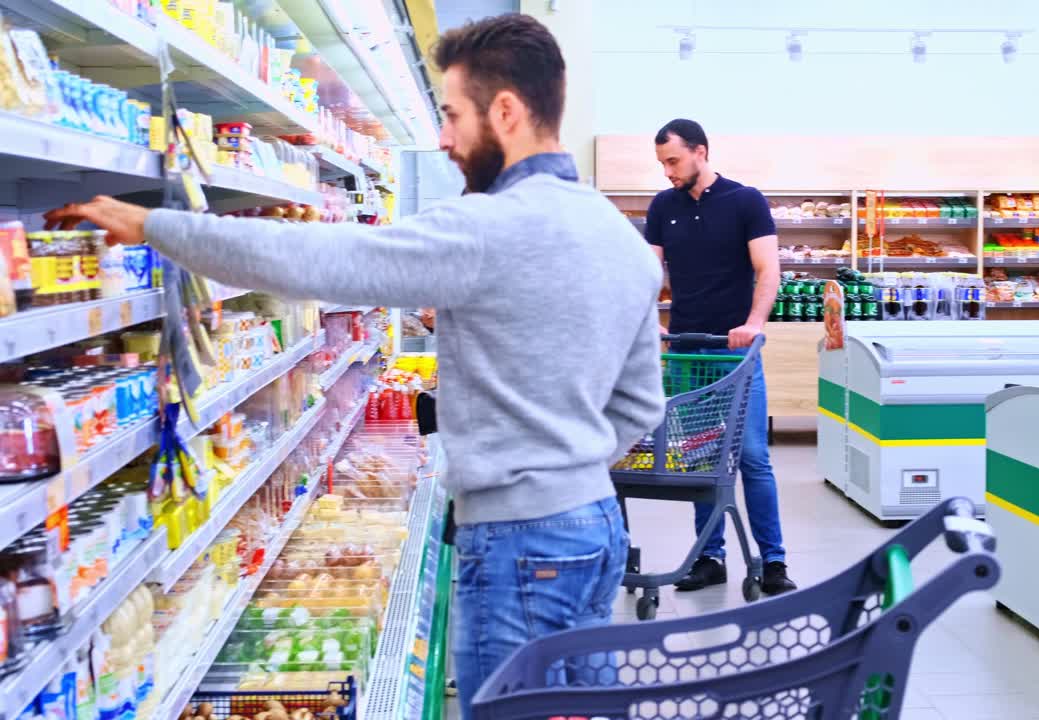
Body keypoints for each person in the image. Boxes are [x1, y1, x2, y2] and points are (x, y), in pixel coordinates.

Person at [46, 14, 665, 717]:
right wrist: (568, 461)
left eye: (453, 115)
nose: (443, 139)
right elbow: (643, 403)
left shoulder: (485, 229)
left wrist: (156, 226)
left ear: (507, 111)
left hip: (520, 541)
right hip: (596, 525)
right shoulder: (620, 237)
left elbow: (317, 258)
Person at [645, 118, 796, 596]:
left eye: (673, 161)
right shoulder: (662, 207)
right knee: (700, 458)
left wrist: (753, 324)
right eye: (662, 164)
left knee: (752, 456)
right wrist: (649, 318)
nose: (667, 172)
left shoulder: (745, 201)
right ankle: (710, 558)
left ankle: (773, 561)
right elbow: (651, 271)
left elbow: (768, 268)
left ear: (700, 152)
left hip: (735, 355)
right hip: (688, 351)